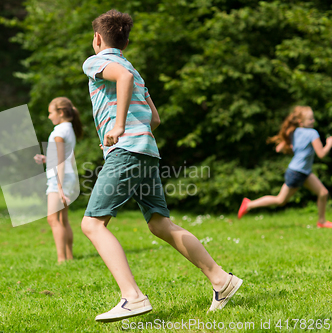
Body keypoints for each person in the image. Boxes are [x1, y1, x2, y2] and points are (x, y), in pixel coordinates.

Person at [80, 9, 242, 322]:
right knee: (159, 222)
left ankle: (133, 297)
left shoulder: (97, 61)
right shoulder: (134, 69)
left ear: (97, 39)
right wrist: (132, 130)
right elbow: (155, 118)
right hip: (146, 151)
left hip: (126, 151)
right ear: (126, 41)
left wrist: (118, 126)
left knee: (92, 224)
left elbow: (122, 80)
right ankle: (221, 280)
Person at [238, 106, 332, 227]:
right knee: (280, 200)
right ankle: (249, 204)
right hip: (297, 172)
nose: (313, 121)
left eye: (313, 118)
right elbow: (321, 154)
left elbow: (280, 148)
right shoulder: (312, 133)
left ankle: (322, 221)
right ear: (301, 122)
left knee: (323, 193)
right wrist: (329, 144)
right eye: (310, 119)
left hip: (303, 171)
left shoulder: (295, 132)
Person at [34, 97, 83, 262]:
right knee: (63, 219)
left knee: (52, 218)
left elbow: (61, 161)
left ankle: (61, 259)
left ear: (60, 113)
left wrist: (59, 187)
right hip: (67, 176)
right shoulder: (68, 129)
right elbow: (64, 157)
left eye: (51, 113)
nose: (49, 117)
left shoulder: (59, 132)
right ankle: (68, 256)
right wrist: (47, 158)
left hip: (59, 179)